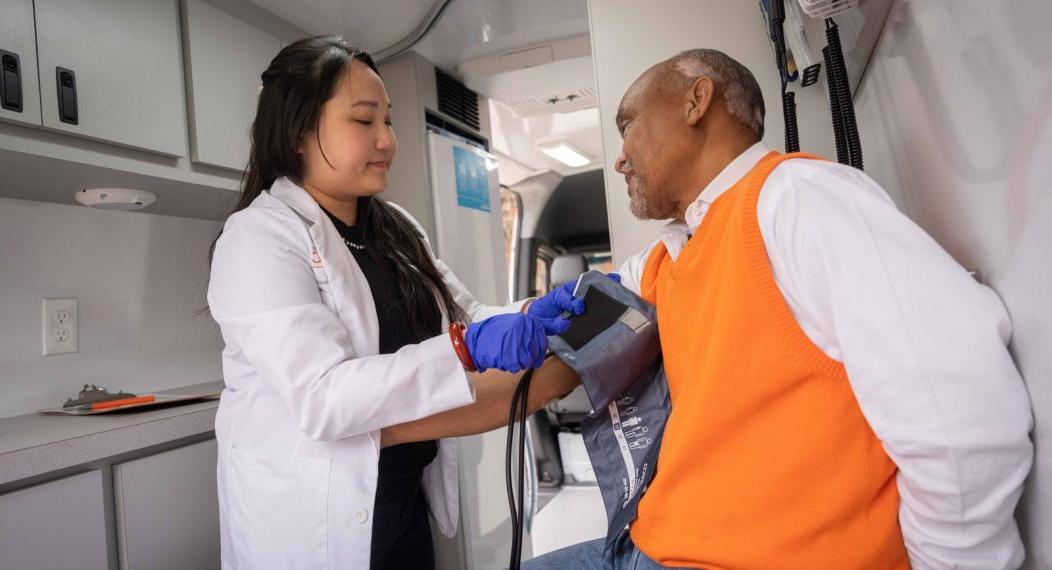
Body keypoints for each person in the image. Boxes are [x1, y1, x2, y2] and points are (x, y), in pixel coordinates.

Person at [525, 49, 1033, 569]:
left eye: (628, 125)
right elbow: (577, 305)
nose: (620, 156)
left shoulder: (798, 201)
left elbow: (959, 415)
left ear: (696, 101)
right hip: (649, 543)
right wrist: (493, 334)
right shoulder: (673, 252)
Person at [207, 36, 591, 570]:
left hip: (401, 498)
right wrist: (466, 348)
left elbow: (467, 318)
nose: (387, 139)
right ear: (297, 132)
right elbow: (324, 396)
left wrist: (531, 312)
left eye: (389, 121)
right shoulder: (258, 239)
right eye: (364, 121)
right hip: (314, 517)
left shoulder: (395, 228)